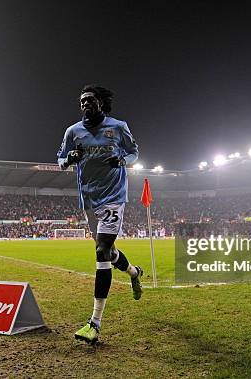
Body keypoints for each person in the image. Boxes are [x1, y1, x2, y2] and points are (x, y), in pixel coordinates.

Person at [57, 85, 143, 345]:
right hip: (89, 200)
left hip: (113, 197)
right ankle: (134, 273)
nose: (85, 104)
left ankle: (94, 323)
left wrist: (123, 161)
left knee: (101, 251)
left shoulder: (118, 127)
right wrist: (69, 159)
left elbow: (134, 153)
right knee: (108, 251)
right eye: (82, 101)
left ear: (101, 104)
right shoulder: (73, 131)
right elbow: (60, 159)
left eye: (90, 100)